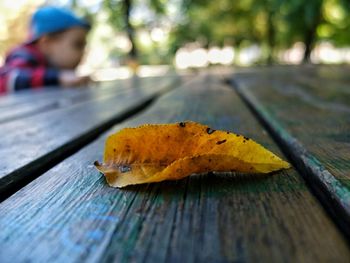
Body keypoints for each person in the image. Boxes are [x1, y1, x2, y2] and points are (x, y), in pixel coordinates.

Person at [0, 6, 91, 94]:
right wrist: (57, 78)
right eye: (78, 44)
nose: (83, 52)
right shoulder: (23, 54)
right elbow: (9, 79)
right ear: (47, 43)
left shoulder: (48, 64)